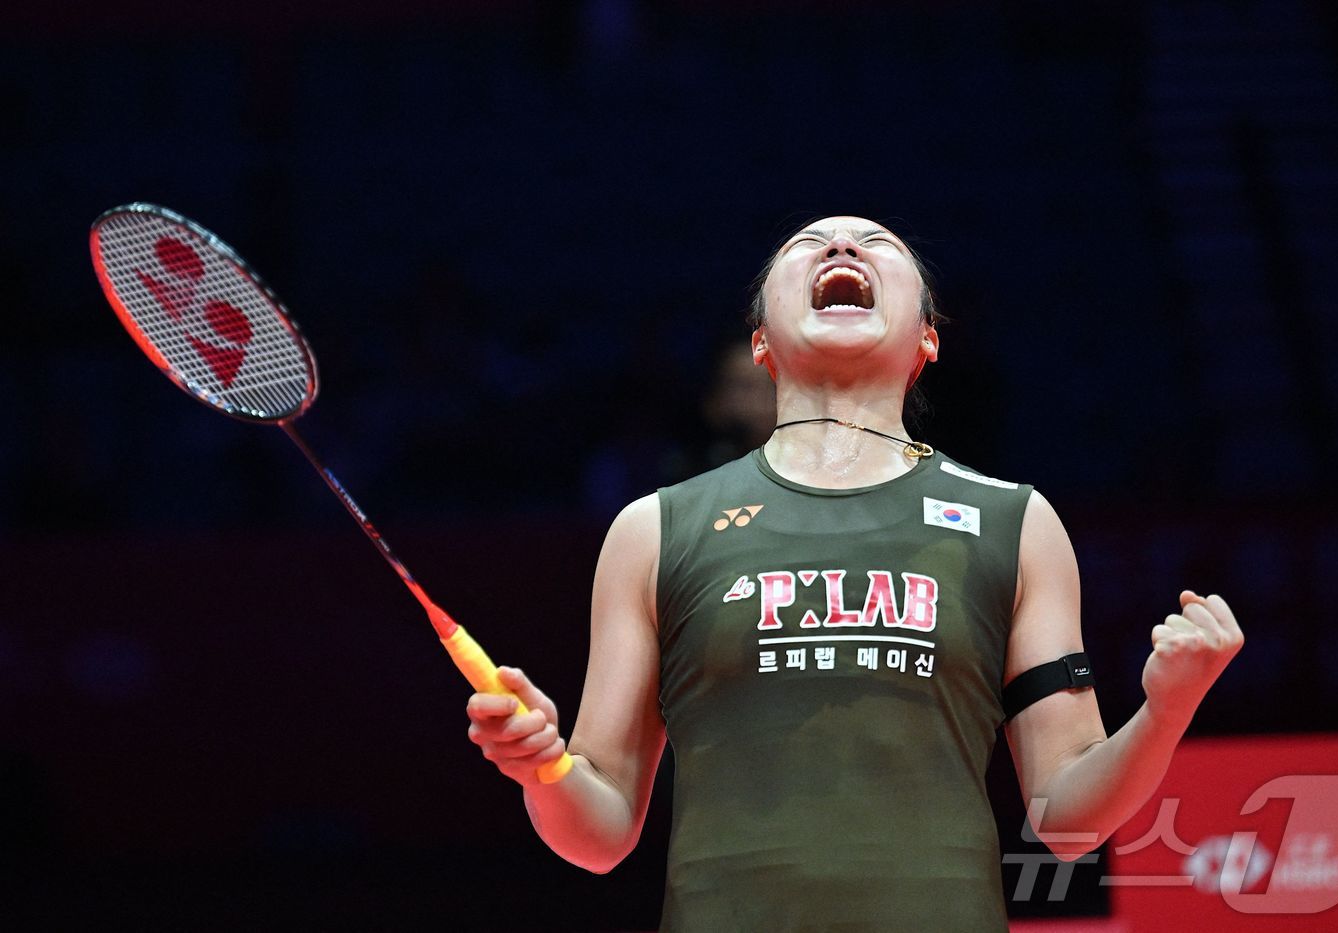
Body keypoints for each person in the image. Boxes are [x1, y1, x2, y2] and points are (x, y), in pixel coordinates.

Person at [466, 216, 1244, 931]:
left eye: (877, 243)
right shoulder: (656, 530)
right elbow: (598, 835)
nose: (842, 245)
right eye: (809, 244)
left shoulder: (1016, 523)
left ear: (929, 339)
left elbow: (1068, 818)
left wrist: (1166, 709)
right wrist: (543, 767)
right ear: (761, 340)